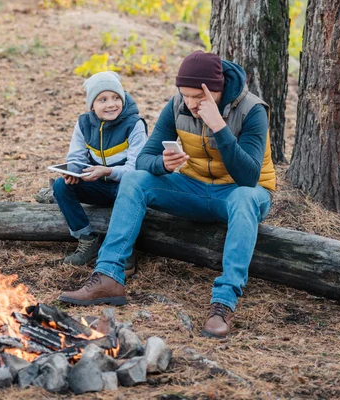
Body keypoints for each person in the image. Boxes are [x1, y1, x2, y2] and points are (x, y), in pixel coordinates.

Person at [58, 51, 276, 339]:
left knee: (245, 198)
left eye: (197, 97)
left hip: (238, 194)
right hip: (193, 188)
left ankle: (223, 303)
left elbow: (248, 178)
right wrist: (163, 164)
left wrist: (219, 127)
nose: (190, 103)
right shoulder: (176, 106)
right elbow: (143, 159)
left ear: (216, 90)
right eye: (185, 95)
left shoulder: (252, 110)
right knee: (136, 180)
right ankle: (109, 276)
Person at [53, 71, 147, 276]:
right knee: (61, 186)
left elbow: (136, 168)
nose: (111, 104)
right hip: (98, 184)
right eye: (102, 99)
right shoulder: (84, 123)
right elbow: (76, 157)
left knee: (129, 186)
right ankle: (87, 240)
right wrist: (73, 172)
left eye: (116, 98)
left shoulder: (134, 125)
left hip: (125, 187)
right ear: (92, 105)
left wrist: (109, 171)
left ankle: (125, 248)